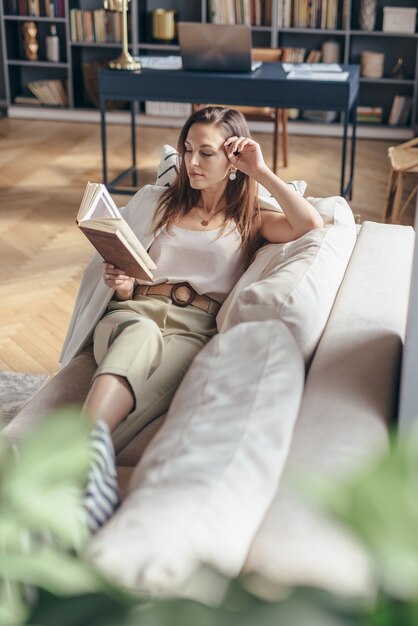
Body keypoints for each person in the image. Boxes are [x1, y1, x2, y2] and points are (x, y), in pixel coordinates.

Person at [82, 106, 324, 532]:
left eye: (206, 153)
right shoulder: (162, 205)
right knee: (138, 335)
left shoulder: (250, 219)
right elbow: (128, 284)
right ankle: (78, 452)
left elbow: (309, 223)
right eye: (187, 149)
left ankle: (77, 472)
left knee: (150, 391)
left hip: (194, 329)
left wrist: (261, 171)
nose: (191, 162)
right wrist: (118, 281)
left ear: (232, 159)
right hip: (133, 312)